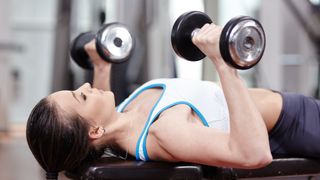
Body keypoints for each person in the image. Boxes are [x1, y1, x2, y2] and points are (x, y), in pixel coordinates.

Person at [26, 23, 320, 180]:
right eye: (81, 96)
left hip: (299, 112)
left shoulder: (121, 125)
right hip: (302, 126)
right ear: (94, 132)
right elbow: (254, 154)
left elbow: (106, 121)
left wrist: (102, 65)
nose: (87, 85)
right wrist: (223, 62)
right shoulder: (164, 132)